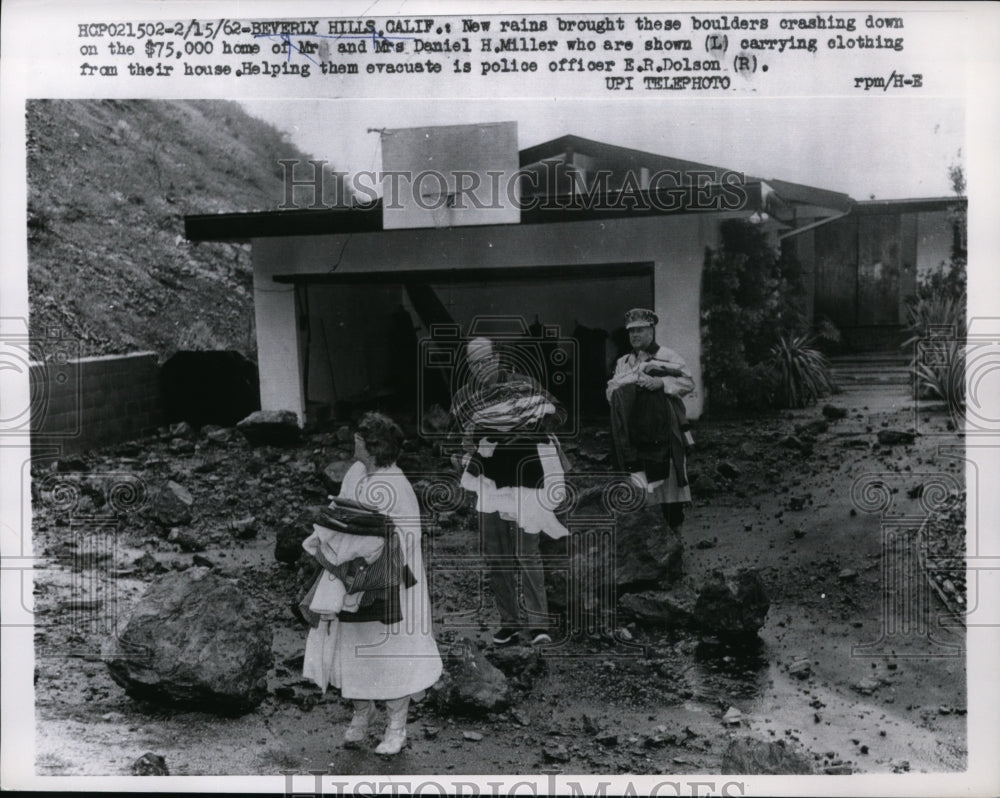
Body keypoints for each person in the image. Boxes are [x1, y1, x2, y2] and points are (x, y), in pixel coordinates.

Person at [301, 412, 442, 756]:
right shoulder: (355, 472)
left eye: (359, 440)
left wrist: (363, 558)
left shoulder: (397, 485)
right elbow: (343, 513)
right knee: (352, 649)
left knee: (391, 654)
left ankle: (397, 727)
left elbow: (406, 537)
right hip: (349, 579)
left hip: (389, 582)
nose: (354, 444)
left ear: (373, 447)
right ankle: (362, 714)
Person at [450, 336, 570, 647]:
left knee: (527, 551)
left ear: (498, 358)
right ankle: (510, 623)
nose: (480, 368)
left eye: (485, 360)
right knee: (496, 555)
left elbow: (556, 414)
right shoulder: (465, 397)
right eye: (474, 363)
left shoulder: (525, 384)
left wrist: (525, 428)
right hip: (490, 485)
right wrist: (465, 458)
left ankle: (539, 624)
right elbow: (461, 438)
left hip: (525, 479)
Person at [606, 308, 695, 537]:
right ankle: (653, 549)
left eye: (640, 330)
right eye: (631, 331)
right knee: (642, 487)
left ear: (651, 330)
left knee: (670, 490)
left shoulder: (668, 356)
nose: (635, 335)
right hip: (635, 433)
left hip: (664, 432)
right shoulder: (623, 362)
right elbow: (611, 392)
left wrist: (662, 383)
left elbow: (688, 383)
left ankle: (676, 545)